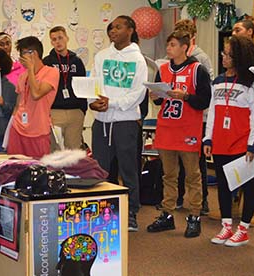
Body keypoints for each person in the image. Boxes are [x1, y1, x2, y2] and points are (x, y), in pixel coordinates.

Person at [147, 30, 210, 237]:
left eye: (173, 45)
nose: (168, 49)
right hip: (166, 128)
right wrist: (155, 95)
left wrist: (185, 96)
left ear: (184, 47)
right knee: (169, 175)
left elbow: (204, 100)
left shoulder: (197, 69)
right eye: (168, 45)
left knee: (192, 175)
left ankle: (194, 215)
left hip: (188, 129)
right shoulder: (163, 69)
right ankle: (167, 214)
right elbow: (158, 101)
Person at [90, 16, 148, 232]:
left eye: (118, 27)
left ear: (130, 30)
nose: (113, 30)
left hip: (125, 123)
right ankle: (104, 210)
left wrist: (111, 103)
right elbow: (94, 82)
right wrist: (93, 102)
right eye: (111, 27)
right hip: (101, 123)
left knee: (128, 169)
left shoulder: (138, 60)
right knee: (101, 169)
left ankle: (131, 212)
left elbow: (138, 93)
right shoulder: (102, 55)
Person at [204, 36, 254, 247]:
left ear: (239, 57)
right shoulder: (218, 81)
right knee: (224, 186)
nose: (224, 57)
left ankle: (243, 229)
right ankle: (226, 226)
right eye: (223, 53)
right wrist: (207, 138)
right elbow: (212, 112)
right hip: (220, 142)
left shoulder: (250, 83)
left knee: (248, 188)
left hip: (241, 144)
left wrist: (251, 145)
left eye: (228, 54)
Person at [169, 19, 212, 215]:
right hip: (176, 116)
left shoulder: (201, 59)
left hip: (196, 116)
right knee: (175, 160)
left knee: (196, 164)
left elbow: (205, 88)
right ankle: (177, 197)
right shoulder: (171, 58)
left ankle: (201, 201)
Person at [229, 19, 254, 225]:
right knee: (234, 161)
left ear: (250, 32)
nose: (234, 32)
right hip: (235, 117)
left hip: (251, 115)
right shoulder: (234, 58)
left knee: (251, 159)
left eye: (238, 29)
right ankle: (236, 202)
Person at [6, 36, 59, 158]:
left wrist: (30, 69)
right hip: (18, 128)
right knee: (14, 168)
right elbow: (18, 104)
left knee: (37, 169)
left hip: (38, 131)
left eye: (23, 53)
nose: (21, 58)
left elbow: (36, 94)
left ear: (33, 53)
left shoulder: (51, 72)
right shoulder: (22, 76)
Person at [43, 26, 87, 151]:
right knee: (54, 150)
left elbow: (83, 86)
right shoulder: (47, 62)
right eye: (54, 39)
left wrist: (82, 110)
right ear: (51, 42)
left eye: (60, 38)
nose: (58, 42)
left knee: (73, 152)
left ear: (67, 38)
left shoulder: (77, 61)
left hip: (75, 112)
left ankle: (72, 172)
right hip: (54, 112)